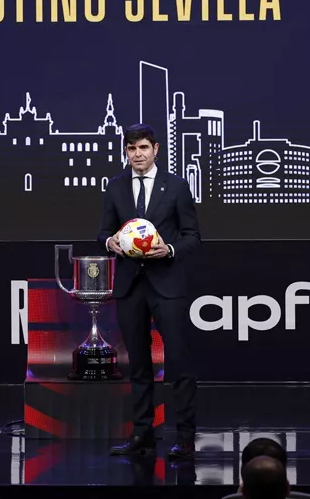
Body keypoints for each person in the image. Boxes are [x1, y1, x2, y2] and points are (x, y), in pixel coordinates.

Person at [99, 123, 202, 460]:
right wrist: (110, 242)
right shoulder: (115, 187)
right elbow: (102, 231)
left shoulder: (176, 186)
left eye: (143, 147)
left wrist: (169, 250)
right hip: (130, 285)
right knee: (139, 365)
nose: (137, 155)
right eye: (131, 149)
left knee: (180, 363)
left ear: (156, 149)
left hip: (167, 285)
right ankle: (142, 433)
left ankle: (185, 437)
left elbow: (192, 237)